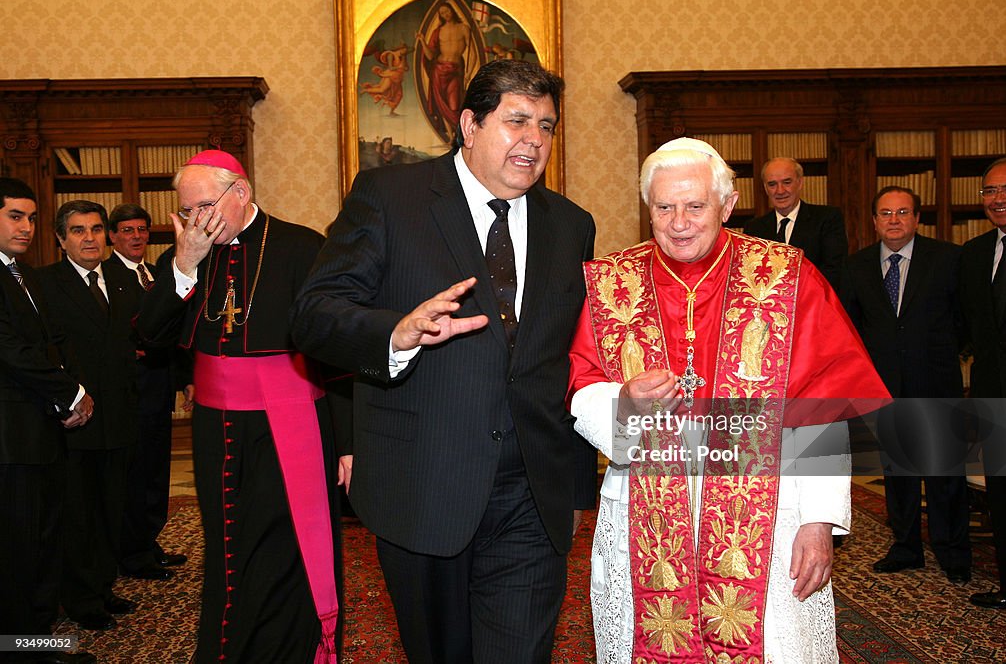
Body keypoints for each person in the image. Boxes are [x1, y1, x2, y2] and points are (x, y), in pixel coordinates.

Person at [290, 59, 597, 663]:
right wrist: (395, 334)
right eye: (516, 121)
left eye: (546, 125)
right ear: (469, 124)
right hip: (424, 484)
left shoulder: (572, 225)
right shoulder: (390, 198)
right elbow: (313, 313)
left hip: (532, 490)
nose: (533, 139)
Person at [568, 138, 888, 663]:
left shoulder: (787, 276)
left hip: (772, 513)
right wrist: (623, 400)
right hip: (646, 518)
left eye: (695, 206)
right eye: (663, 207)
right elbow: (580, 387)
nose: (678, 222)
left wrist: (818, 521)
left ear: (728, 205)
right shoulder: (612, 283)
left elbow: (822, 405)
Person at [135, 151, 343, 662]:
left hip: (290, 422)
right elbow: (148, 336)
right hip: (215, 429)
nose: (197, 222)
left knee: (286, 545)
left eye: (205, 206)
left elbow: (338, 354)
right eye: (186, 212)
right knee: (227, 545)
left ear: (241, 193)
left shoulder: (302, 247)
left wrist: (351, 444)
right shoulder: (186, 255)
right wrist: (185, 265)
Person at [840, 186, 971, 584]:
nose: (894, 220)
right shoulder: (857, 266)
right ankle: (906, 546)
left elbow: (964, 318)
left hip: (936, 380)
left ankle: (952, 551)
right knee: (898, 472)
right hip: (884, 384)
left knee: (945, 471)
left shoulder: (947, 258)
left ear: (916, 218)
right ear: (874, 221)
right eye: (885, 213)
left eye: (902, 212)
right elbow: (853, 325)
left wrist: (945, 353)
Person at [0, 179, 96, 664]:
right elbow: (11, 351)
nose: (27, 226)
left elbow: (54, 341)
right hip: (10, 441)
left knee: (42, 542)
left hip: (42, 431)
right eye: (15, 215)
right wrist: (71, 392)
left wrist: (72, 396)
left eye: (32, 217)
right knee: (18, 550)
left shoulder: (24, 274)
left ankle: (38, 639)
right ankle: (24, 650)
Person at [38, 201, 139, 632]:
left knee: (110, 508)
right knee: (78, 514)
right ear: (61, 240)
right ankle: (80, 598)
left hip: (118, 417)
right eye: (78, 231)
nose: (90, 238)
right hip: (73, 421)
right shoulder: (44, 285)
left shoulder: (121, 280)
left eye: (96, 229)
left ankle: (102, 585)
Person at [105, 203, 190, 581]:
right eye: (127, 230)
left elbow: (173, 328)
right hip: (126, 394)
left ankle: (148, 541)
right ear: (112, 236)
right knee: (134, 477)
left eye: (141, 230)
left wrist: (183, 377)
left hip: (158, 391)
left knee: (157, 475)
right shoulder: (104, 276)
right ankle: (132, 553)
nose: (136, 236)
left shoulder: (157, 273)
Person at [959, 157, 1006, 634]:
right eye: (990, 191)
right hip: (993, 395)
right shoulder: (976, 252)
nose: (999, 199)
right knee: (1004, 496)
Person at [745, 157, 848, 291]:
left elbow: (834, 270)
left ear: (800, 183)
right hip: (769, 307)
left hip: (813, 303)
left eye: (787, 182)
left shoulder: (827, 218)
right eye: (772, 184)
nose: (780, 191)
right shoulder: (753, 228)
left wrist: (792, 295)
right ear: (765, 188)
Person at [416, 0, 471, 142]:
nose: (445, 15)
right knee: (442, 104)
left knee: (454, 104)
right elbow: (429, 56)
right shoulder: (438, 32)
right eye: (442, 13)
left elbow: (472, 53)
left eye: (447, 11)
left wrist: (469, 72)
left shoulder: (463, 28)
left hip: (455, 70)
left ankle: (457, 132)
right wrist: (422, 41)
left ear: (452, 11)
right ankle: (451, 135)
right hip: (439, 70)